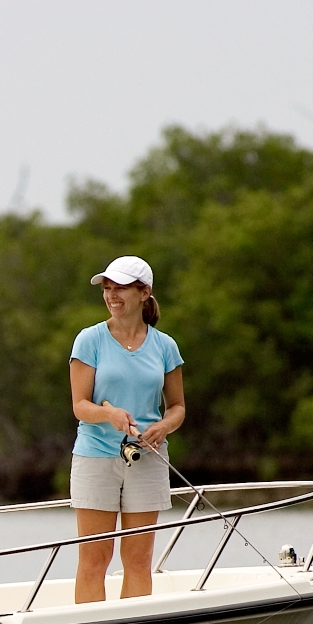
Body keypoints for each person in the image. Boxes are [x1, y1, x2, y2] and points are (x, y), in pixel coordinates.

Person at [68, 255, 186, 603]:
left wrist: (163, 426)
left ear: (144, 292)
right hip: (96, 458)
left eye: (119, 287)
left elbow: (177, 408)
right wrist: (110, 415)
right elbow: (80, 406)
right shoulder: (89, 340)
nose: (111, 295)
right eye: (107, 288)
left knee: (138, 560)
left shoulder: (165, 346)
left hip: (148, 459)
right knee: (94, 560)